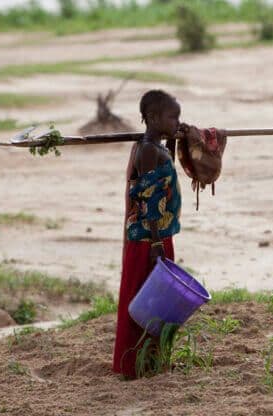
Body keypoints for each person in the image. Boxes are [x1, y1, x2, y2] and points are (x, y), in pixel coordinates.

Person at [112, 90, 182, 379]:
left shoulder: (158, 146)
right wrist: (155, 243)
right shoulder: (148, 150)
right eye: (172, 117)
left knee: (158, 301)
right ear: (152, 118)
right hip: (147, 238)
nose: (178, 121)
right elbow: (149, 199)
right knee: (143, 299)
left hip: (159, 234)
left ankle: (152, 361)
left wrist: (181, 135)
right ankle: (133, 364)